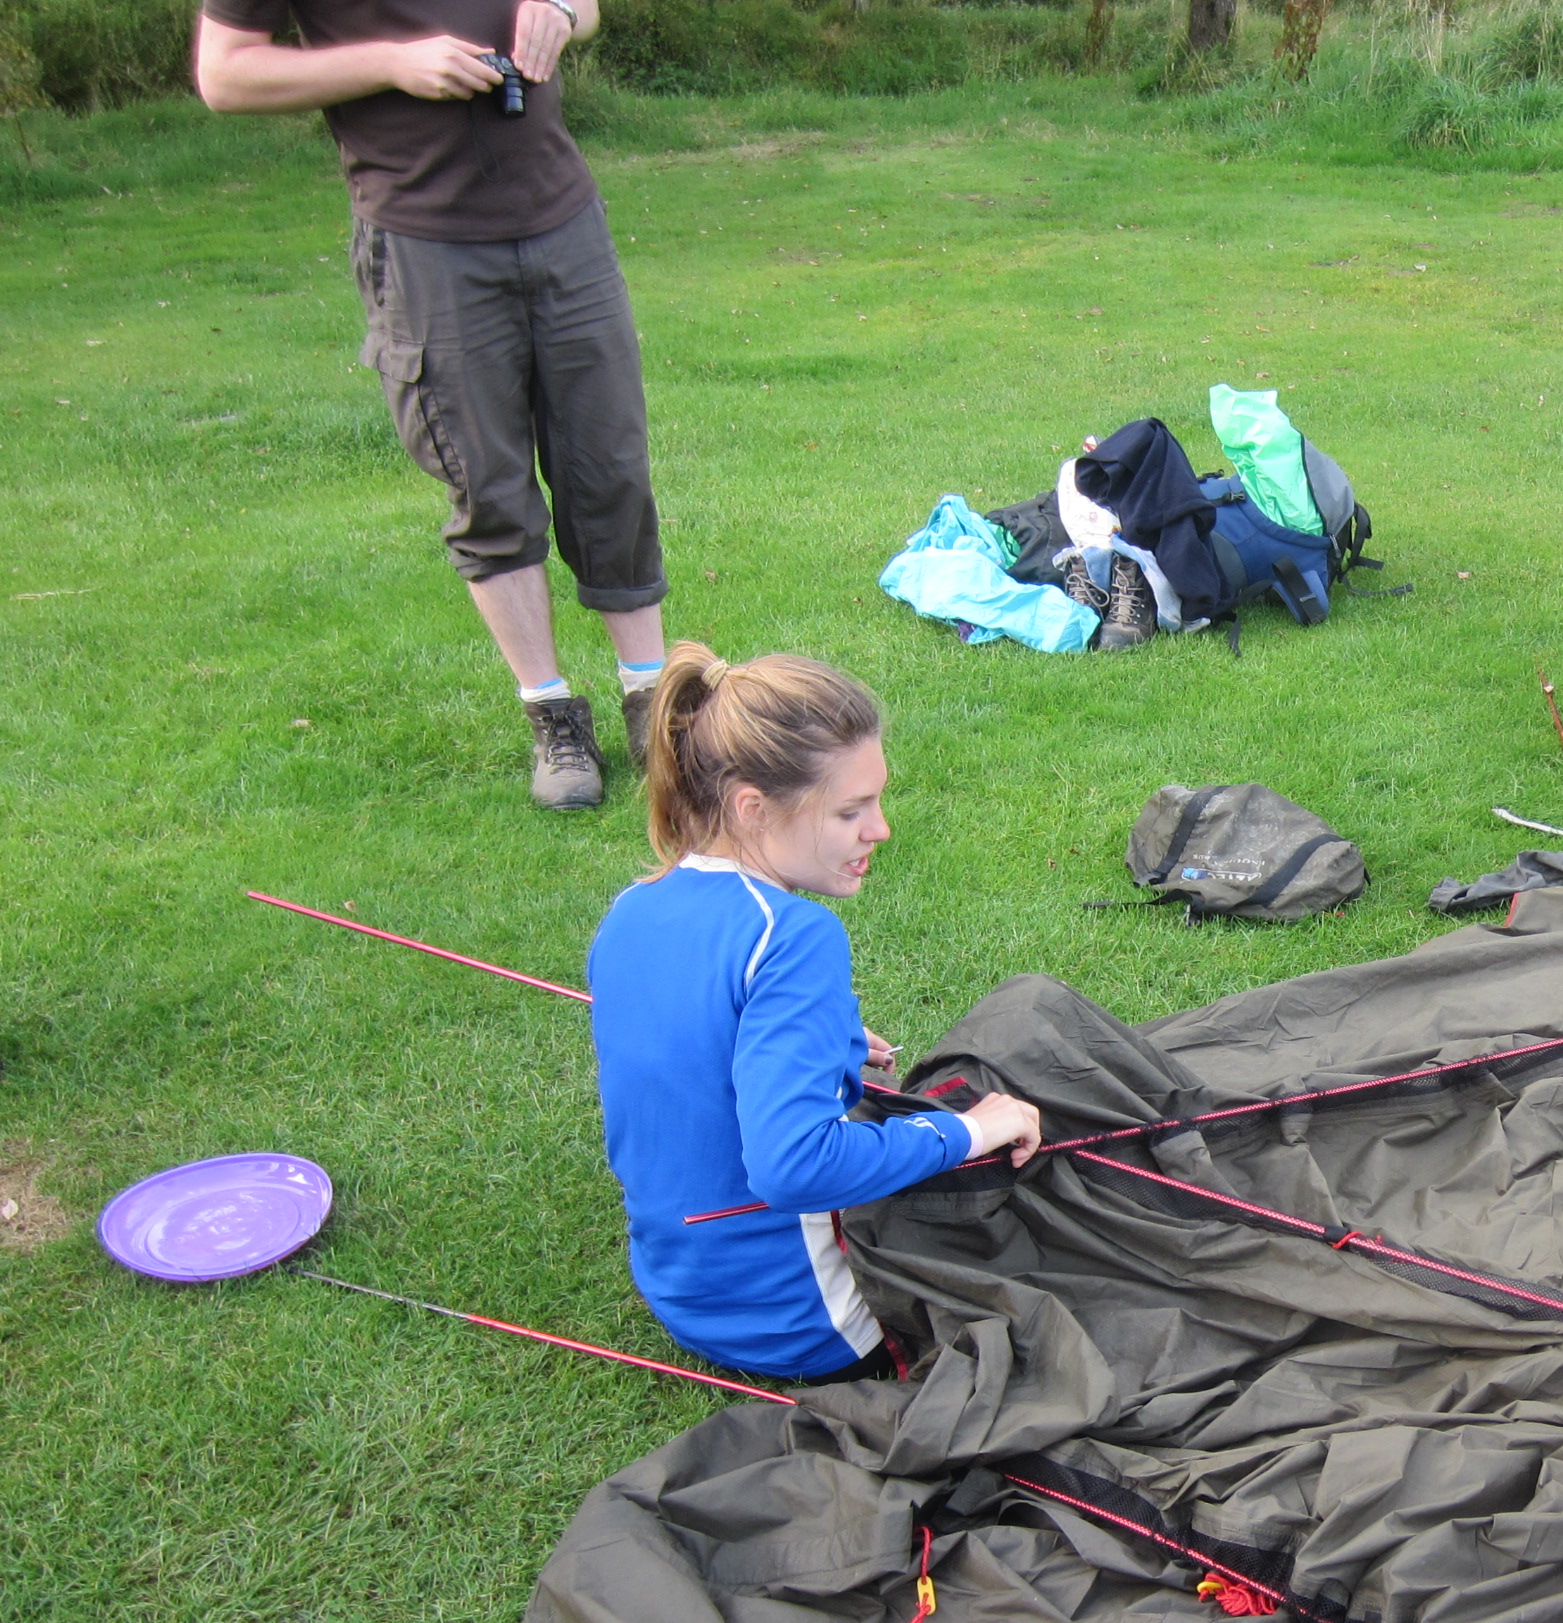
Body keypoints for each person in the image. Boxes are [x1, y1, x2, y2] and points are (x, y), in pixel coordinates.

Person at [194, 2, 667, 811]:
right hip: (424, 235)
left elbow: (585, 6)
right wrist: (391, 63)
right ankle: (553, 716)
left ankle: (652, 702)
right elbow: (225, 74)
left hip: (560, 212)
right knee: (487, 485)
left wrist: (560, 12)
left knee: (610, 465)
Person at [586, 646, 1042, 1385]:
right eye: (849, 811)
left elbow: (688, 1045)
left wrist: (827, 1038)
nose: (879, 830)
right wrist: (970, 1132)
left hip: (682, 1290)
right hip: (807, 1324)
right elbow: (796, 1167)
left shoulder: (634, 908)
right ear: (753, 809)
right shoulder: (794, 937)